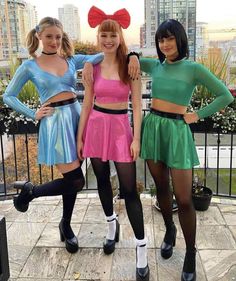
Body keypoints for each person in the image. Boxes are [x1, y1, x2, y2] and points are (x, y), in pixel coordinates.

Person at [136, 19, 234, 281]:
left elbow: (225, 94)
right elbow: (121, 58)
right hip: (154, 128)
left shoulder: (193, 69)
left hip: (178, 132)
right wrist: (90, 62)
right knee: (162, 188)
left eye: (169, 38)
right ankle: (169, 230)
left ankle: (191, 252)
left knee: (185, 198)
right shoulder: (155, 66)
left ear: (180, 40)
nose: (165, 44)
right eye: (160, 40)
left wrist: (198, 115)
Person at [3, 17, 104, 254]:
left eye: (58, 37)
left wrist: (88, 63)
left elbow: (99, 56)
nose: (54, 41)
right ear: (39, 36)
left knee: (72, 180)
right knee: (76, 180)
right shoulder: (29, 66)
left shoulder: (70, 60)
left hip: (76, 119)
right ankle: (31, 192)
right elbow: (9, 96)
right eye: (49, 36)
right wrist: (33, 113)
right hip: (55, 124)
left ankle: (66, 225)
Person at [77, 6, 149, 281]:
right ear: (98, 38)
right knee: (102, 180)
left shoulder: (130, 64)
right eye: (103, 34)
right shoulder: (92, 66)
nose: (108, 39)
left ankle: (141, 248)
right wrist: (79, 137)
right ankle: (111, 226)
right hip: (95, 126)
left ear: (120, 37)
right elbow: (86, 104)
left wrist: (137, 139)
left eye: (113, 34)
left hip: (120, 129)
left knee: (130, 190)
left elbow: (138, 107)